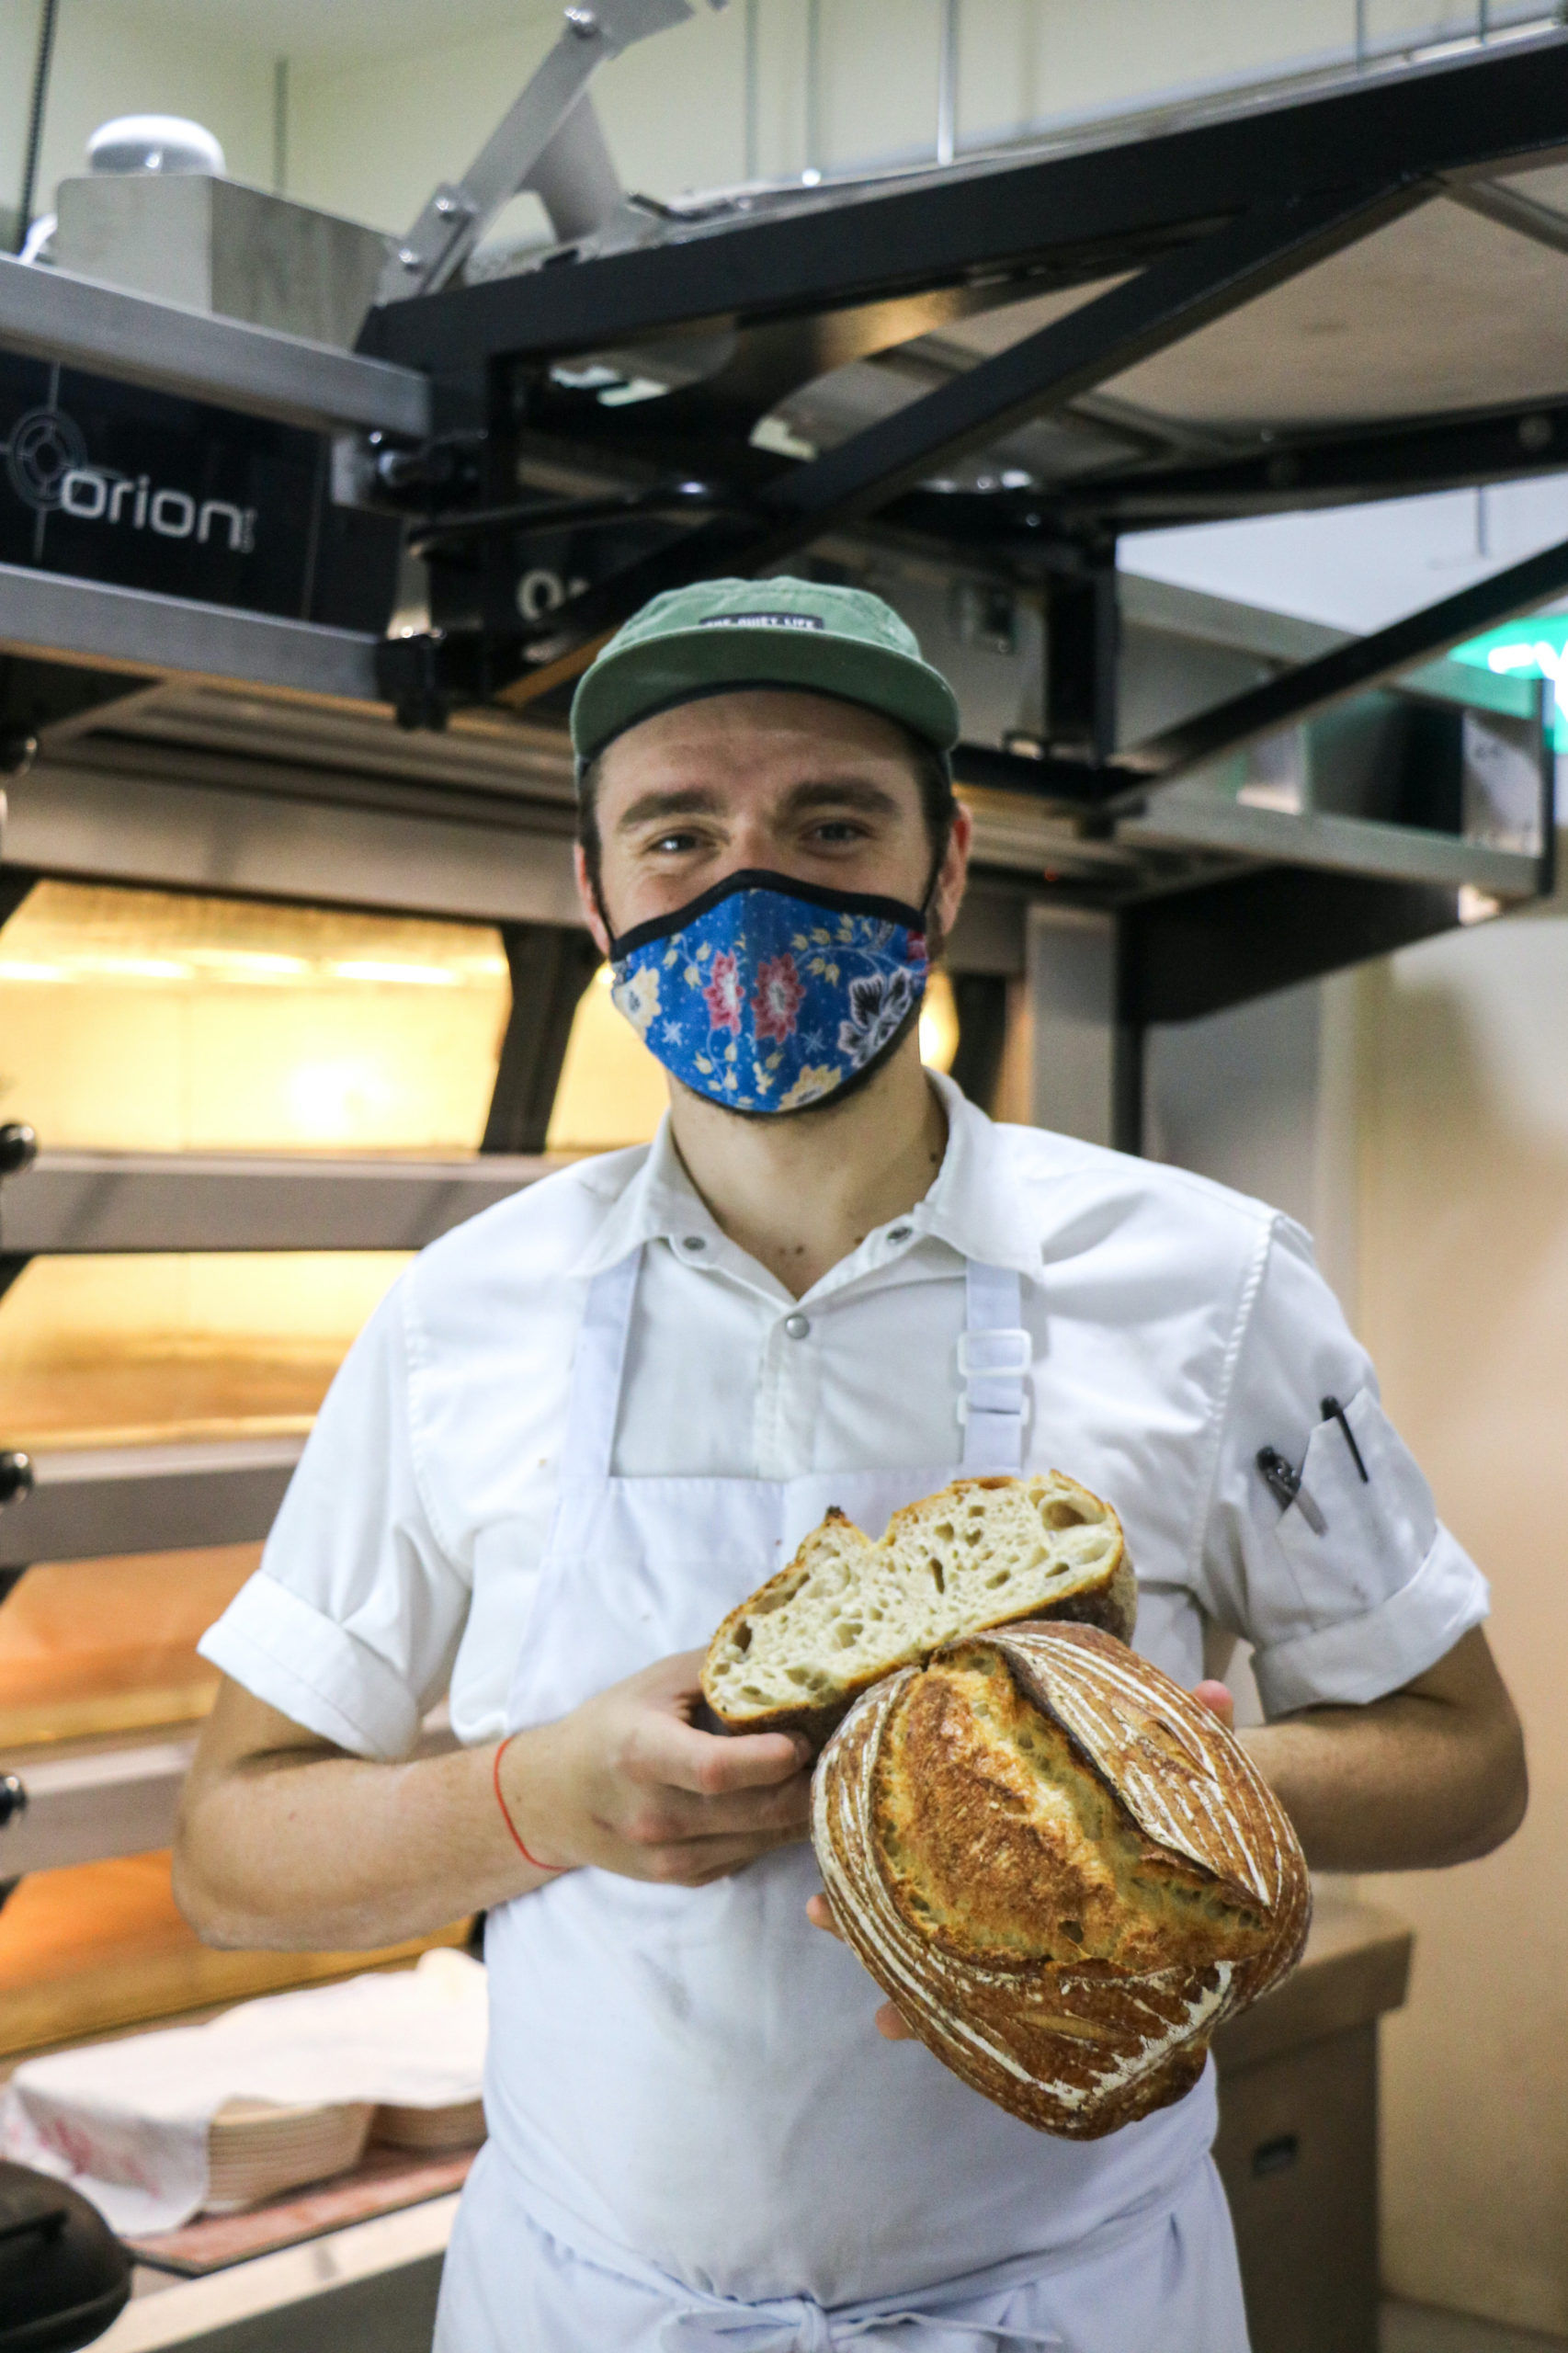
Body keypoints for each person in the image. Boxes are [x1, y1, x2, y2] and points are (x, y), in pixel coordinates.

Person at [176, 577, 1527, 2353]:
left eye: (831, 826)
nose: (752, 896)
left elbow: (1467, 1761)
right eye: (678, 836)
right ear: (593, 892)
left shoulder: (1208, 1284)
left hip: (1066, 2310)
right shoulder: (460, 1318)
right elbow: (230, 1851)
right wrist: (536, 1801)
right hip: (590, 2314)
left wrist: (1149, 1800)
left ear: (944, 868)